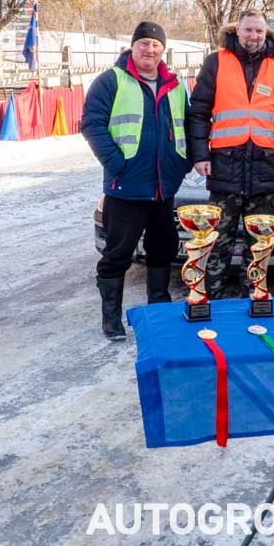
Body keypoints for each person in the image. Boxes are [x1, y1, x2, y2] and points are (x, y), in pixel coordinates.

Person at [81, 21, 191, 340]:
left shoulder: (176, 84)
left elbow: (188, 123)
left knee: (162, 249)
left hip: (162, 189)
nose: (149, 49)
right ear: (133, 46)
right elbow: (91, 124)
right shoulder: (112, 80)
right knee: (118, 253)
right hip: (126, 188)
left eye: (156, 45)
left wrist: (181, 164)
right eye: (143, 43)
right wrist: (116, 163)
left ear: (163, 50)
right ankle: (111, 318)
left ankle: (158, 309)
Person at [186, 9, 274, 299]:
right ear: (237, 31)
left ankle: (256, 294)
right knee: (216, 240)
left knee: (260, 239)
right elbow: (199, 112)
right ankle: (210, 296)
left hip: (265, 167)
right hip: (224, 166)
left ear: (267, 34)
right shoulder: (216, 62)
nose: (253, 36)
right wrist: (200, 155)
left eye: (259, 31)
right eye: (248, 30)